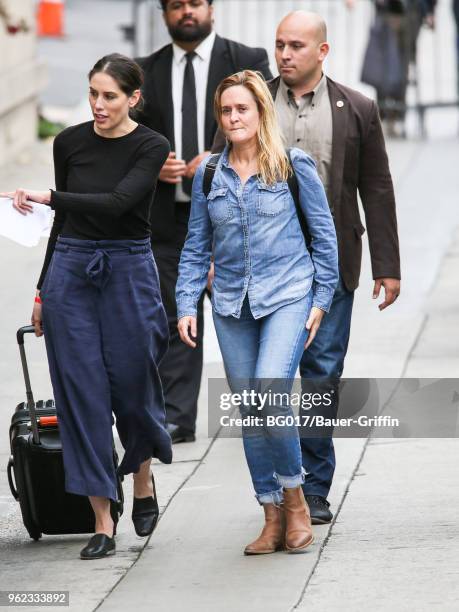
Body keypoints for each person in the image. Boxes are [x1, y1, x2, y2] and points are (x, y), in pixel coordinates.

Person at [2, 54, 172, 560]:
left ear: (133, 98)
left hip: (128, 272)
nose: (98, 105)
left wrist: (48, 195)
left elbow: (119, 202)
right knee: (80, 396)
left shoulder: (152, 145)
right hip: (71, 274)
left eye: (110, 96)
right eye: (93, 93)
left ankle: (141, 478)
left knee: (134, 386)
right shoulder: (69, 141)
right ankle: (103, 518)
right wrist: (41, 289)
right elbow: (64, 225)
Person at [176, 70, 339, 555]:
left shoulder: (293, 165)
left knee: (270, 390)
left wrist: (321, 299)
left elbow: (324, 237)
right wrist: (187, 304)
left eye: (241, 108)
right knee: (250, 409)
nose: (233, 118)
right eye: (226, 110)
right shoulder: (210, 174)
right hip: (230, 304)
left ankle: (295, 498)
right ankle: (269, 513)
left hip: (288, 294)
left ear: (261, 112)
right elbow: (194, 247)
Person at [271, 11, 401, 524]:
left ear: (321, 52)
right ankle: (276, 485)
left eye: (296, 45)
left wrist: (387, 266)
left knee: (321, 375)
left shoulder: (358, 108)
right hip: (267, 267)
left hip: (332, 265)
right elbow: (219, 174)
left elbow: (377, 187)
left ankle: (314, 488)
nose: (285, 54)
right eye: (280, 44)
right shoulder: (251, 100)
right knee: (269, 380)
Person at [136, 0, 272, 444]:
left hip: (236, 215)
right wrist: (152, 165)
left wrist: (218, 157)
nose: (187, 12)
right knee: (176, 313)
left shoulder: (247, 61)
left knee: (249, 316)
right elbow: (129, 136)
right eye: (177, 5)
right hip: (170, 216)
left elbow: (263, 124)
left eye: (195, 3)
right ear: (164, 14)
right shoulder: (144, 71)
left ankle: (261, 413)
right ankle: (178, 418)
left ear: (211, 8)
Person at [349, 0, 436, 137]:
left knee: (401, 68)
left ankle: (397, 116)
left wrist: (430, 10)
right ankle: (384, 115)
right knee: (383, 68)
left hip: (410, 14)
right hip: (387, 13)